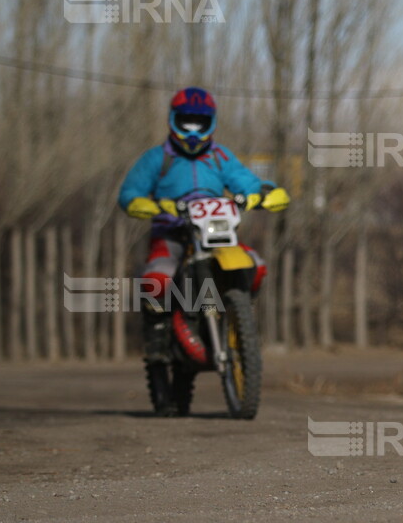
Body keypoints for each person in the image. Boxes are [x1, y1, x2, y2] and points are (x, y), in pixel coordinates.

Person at [118, 87, 290, 414]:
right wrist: (150, 205)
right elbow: (130, 193)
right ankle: (158, 360)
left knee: (253, 263)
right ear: (174, 120)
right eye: (187, 122)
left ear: (210, 122)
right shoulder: (158, 158)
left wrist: (258, 195)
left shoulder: (220, 157)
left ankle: (234, 319)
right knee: (157, 281)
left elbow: (247, 182)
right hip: (172, 233)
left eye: (201, 122)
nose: (194, 130)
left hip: (216, 234)